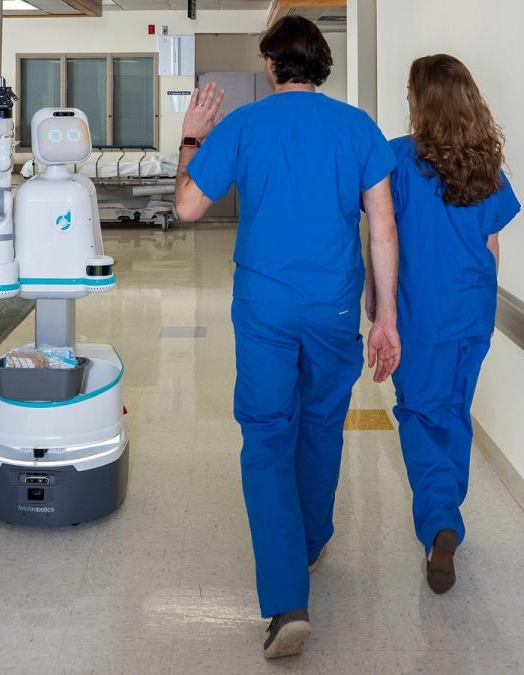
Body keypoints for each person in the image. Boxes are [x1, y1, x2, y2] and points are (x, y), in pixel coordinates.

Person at [175, 16, 401, 659]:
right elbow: (382, 229)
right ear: (321, 64)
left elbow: (188, 207)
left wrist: (192, 139)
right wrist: (385, 318)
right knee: (323, 426)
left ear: (273, 65)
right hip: (333, 311)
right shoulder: (358, 127)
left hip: (266, 309)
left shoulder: (245, 125)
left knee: (268, 437)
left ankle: (285, 603)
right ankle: (307, 542)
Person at [366, 54, 521, 594]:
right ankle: (448, 511)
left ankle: (439, 523)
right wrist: (479, 307)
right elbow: (491, 245)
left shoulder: (396, 160)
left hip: (420, 315)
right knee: (454, 411)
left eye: (411, 93)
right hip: (473, 314)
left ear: (422, 102)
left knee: (419, 415)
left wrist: (376, 300)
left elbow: (381, 234)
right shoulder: (486, 167)